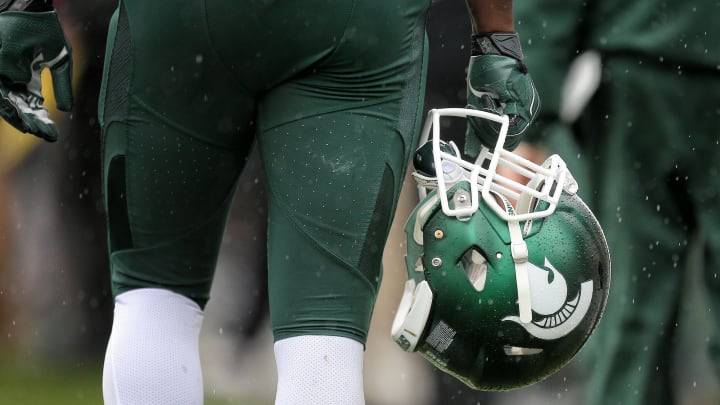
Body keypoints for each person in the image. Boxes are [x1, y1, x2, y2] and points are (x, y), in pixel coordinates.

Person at [0, 0, 539, 403]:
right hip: (354, 23)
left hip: (181, 16)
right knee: (324, 327)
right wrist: (495, 36)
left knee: (154, 294)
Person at [511, 0, 720, 404]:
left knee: (631, 308)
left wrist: (530, 115)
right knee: (629, 306)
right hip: (640, 62)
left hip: (637, 60)